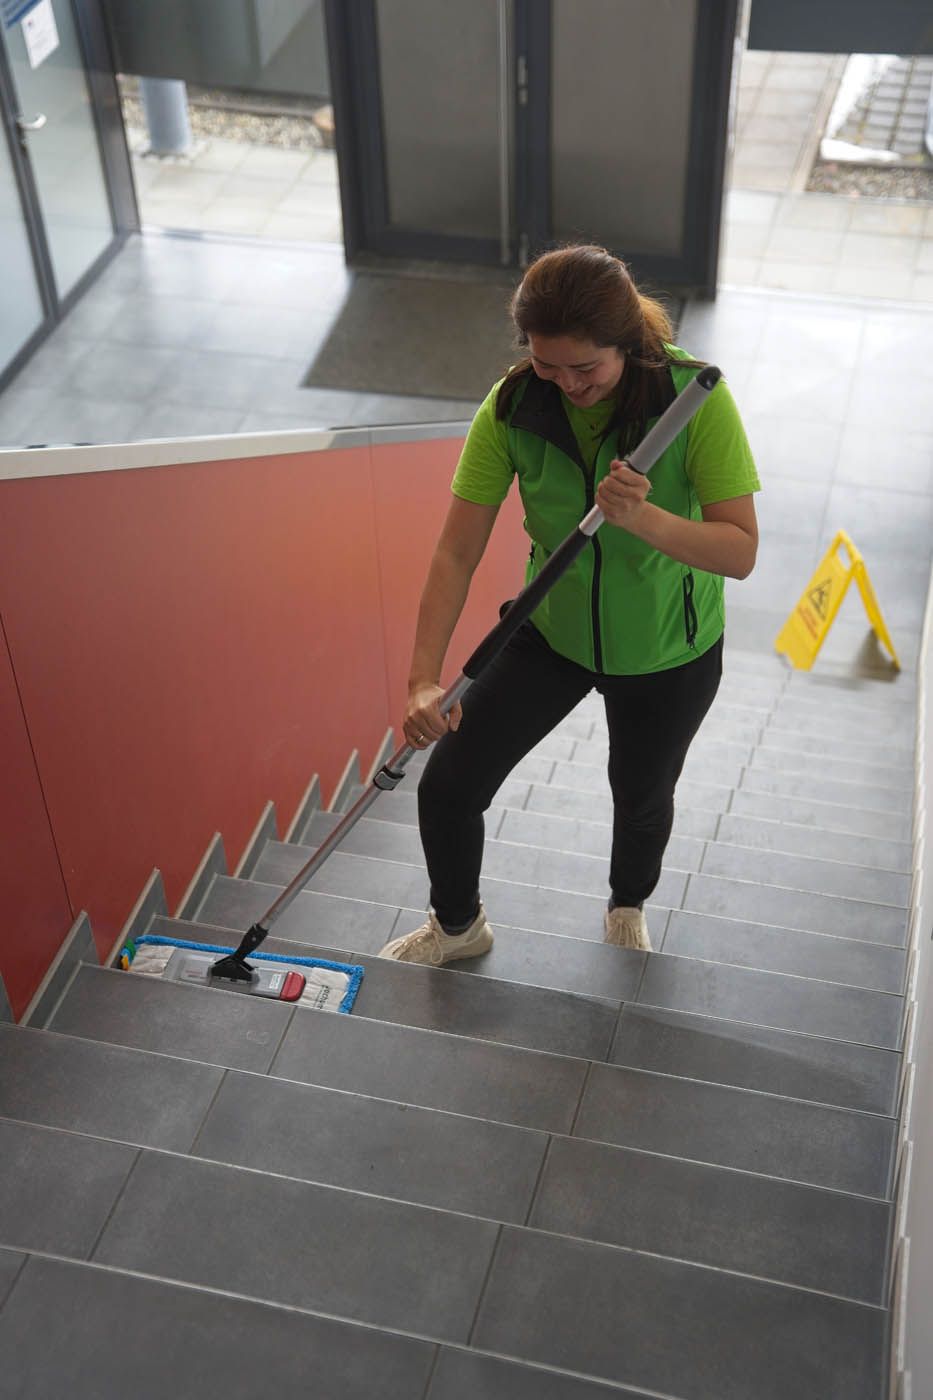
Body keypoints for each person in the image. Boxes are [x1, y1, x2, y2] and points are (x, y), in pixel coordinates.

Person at [378, 243, 760, 965]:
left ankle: (627, 903)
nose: (567, 384)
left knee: (640, 798)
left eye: (586, 368)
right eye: (548, 365)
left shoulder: (692, 403)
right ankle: (458, 927)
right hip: (550, 630)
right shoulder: (513, 406)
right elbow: (455, 552)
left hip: (668, 649)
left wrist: (642, 517)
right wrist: (422, 679)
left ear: (627, 344)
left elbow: (739, 551)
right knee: (448, 787)